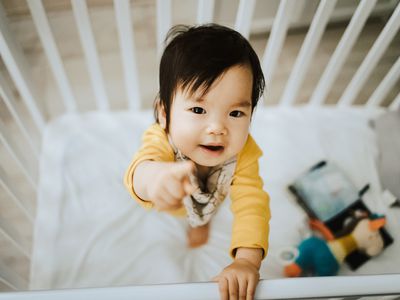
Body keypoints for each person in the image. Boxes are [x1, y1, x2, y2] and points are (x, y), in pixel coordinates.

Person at [124, 24, 270, 300]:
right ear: (164, 114)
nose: (217, 127)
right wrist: (155, 179)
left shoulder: (245, 152)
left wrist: (247, 261)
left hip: (213, 196)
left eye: (236, 113)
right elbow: (141, 168)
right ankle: (195, 222)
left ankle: (202, 223)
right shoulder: (162, 138)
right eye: (198, 109)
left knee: (207, 212)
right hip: (176, 202)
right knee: (186, 212)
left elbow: (253, 204)